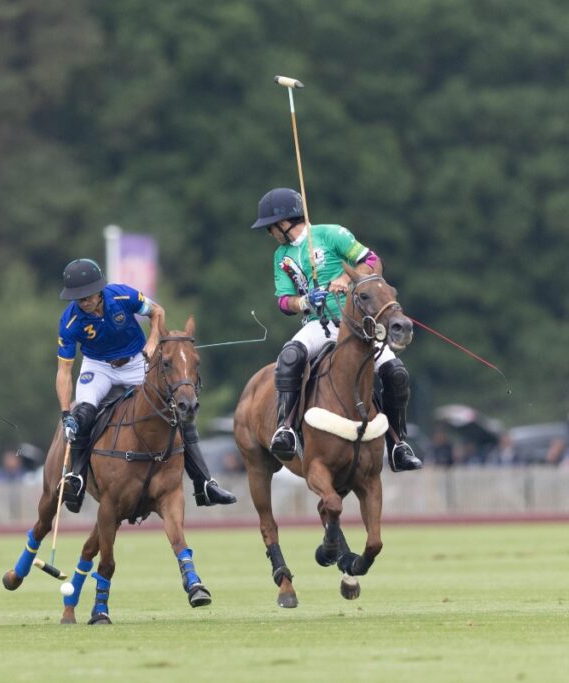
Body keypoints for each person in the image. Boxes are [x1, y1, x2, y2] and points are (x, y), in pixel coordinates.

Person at [250, 187, 422, 472]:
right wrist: (305, 300)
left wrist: (346, 278)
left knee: (397, 374)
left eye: (270, 228)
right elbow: (283, 301)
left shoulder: (331, 234)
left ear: (283, 223)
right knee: (289, 358)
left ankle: (397, 444)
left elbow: (371, 261)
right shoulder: (281, 256)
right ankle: (287, 429)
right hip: (318, 325)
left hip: (356, 324)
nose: (270, 234)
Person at [55, 258, 236, 512]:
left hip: (135, 362)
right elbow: (64, 371)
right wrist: (66, 414)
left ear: (99, 290)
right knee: (83, 415)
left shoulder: (122, 296)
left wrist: (152, 342)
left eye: (87, 296)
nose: (82, 302)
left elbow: (157, 312)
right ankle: (77, 478)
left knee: (176, 411)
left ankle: (204, 483)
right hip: (97, 367)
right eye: (77, 298)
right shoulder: (70, 321)